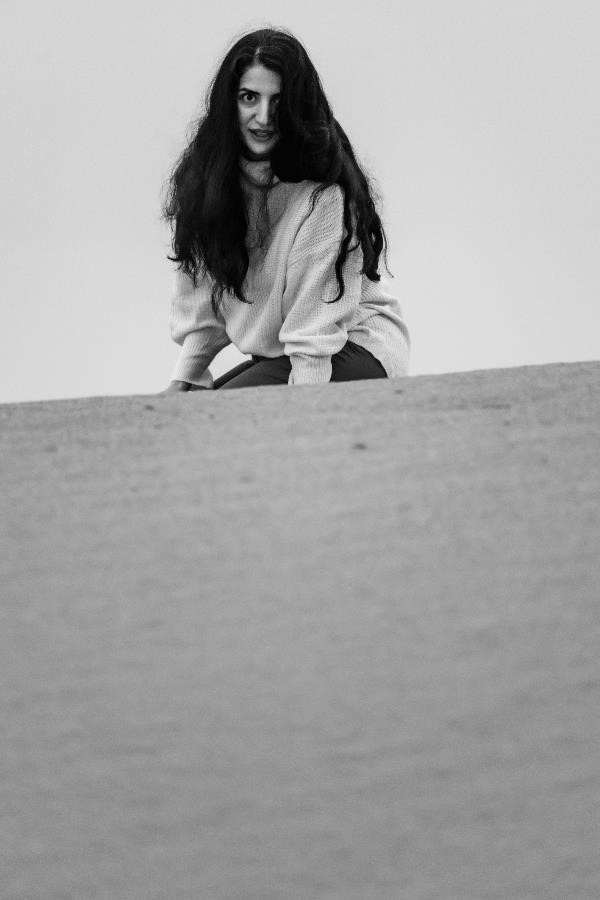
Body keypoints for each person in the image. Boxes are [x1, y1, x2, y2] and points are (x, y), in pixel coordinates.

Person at [161, 27, 410, 393]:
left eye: (278, 102)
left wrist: (300, 412)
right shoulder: (209, 186)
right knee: (197, 410)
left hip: (354, 346)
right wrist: (185, 379)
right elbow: (204, 300)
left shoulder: (322, 195)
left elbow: (316, 326)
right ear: (230, 102)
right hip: (288, 353)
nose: (263, 117)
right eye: (249, 97)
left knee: (220, 414)